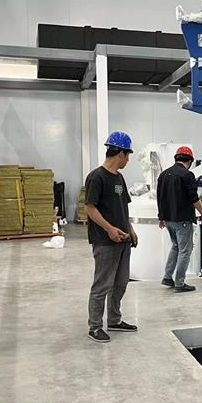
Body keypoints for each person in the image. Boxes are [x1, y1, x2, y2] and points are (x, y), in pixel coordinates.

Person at [84, 131, 139, 343]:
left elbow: (123, 207)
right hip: (105, 241)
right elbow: (90, 208)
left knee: (121, 283)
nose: (128, 160)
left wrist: (130, 229)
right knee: (102, 285)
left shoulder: (119, 177)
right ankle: (95, 326)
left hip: (123, 240)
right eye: (128, 155)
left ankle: (114, 320)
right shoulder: (96, 177)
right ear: (121, 153)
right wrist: (109, 229)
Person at [156, 146, 202, 292]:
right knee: (185, 251)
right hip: (183, 220)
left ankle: (167, 277)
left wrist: (161, 217)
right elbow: (194, 197)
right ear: (190, 161)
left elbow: (159, 197)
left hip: (168, 219)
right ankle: (179, 283)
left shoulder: (164, 174)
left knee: (176, 246)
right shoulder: (187, 175)